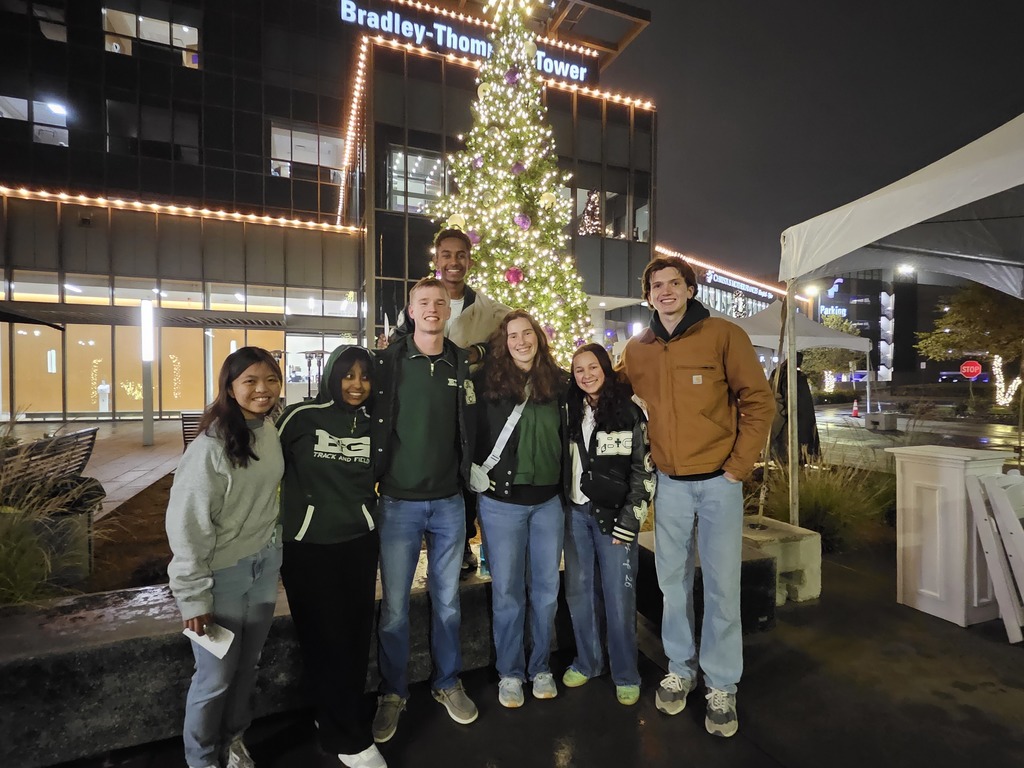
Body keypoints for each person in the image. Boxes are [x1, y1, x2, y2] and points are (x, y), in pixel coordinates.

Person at [619, 255, 774, 738]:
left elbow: (759, 400)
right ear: (647, 295)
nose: (665, 291)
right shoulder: (638, 350)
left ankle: (721, 683)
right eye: (656, 285)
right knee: (673, 584)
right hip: (668, 484)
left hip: (718, 484)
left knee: (724, 586)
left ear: (690, 289)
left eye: (674, 283)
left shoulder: (724, 335)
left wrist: (737, 468)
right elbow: (607, 390)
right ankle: (680, 669)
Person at [166, 347, 285, 768]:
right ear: (230, 389)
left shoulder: (268, 430)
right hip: (223, 576)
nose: (263, 389)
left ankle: (233, 740)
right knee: (214, 677)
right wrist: (192, 597)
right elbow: (187, 526)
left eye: (271, 379)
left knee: (247, 667)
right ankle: (200, 759)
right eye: (250, 381)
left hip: (264, 567)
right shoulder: (210, 448)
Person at [371, 276, 479, 742]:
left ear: (448, 310)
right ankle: (392, 692)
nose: (433, 308)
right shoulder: (388, 363)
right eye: (424, 302)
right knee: (394, 609)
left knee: (448, 603)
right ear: (411, 310)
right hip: (398, 504)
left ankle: (447, 682)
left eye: (439, 302)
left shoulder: (461, 362)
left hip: (449, 503)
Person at [276, 346, 386, 768]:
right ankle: (349, 740)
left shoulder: (376, 422)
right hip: (308, 546)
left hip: (358, 542)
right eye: (348, 375)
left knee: (354, 640)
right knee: (325, 638)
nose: (357, 385)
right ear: (331, 377)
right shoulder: (301, 417)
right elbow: (262, 467)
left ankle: (334, 718)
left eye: (365, 376)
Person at [383, 228, 509, 577]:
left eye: (461, 255)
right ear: (437, 259)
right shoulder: (423, 300)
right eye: (447, 255)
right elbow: (398, 343)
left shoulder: (488, 309)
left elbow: (511, 335)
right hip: (424, 396)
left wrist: (478, 352)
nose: (454, 261)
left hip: (468, 400)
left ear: (470, 260)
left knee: (463, 467)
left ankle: (464, 541)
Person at [473, 309, 568, 708]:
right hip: (501, 504)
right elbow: (469, 431)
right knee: (508, 592)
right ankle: (510, 672)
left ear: (538, 337)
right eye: (513, 335)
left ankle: (540, 666)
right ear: (504, 342)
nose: (521, 341)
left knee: (546, 591)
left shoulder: (560, 383)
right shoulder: (487, 383)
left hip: (548, 504)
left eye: (527, 333)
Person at [562, 343, 655, 707]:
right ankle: (588, 662)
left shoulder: (629, 412)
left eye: (592, 367)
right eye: (579, 370)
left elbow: (643, 472)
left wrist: (630, 521)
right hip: (575, 514)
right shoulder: (570, 410)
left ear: (606, 368)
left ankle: (626, 673)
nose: (586, 375)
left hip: (615, 518)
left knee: (619, 597)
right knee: (580, 592)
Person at [771, 352, 820, 464]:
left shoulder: (784, 375)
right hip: (793, 422)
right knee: (792, 452)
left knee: (787, 454)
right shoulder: (787, 377)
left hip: (793, 420)